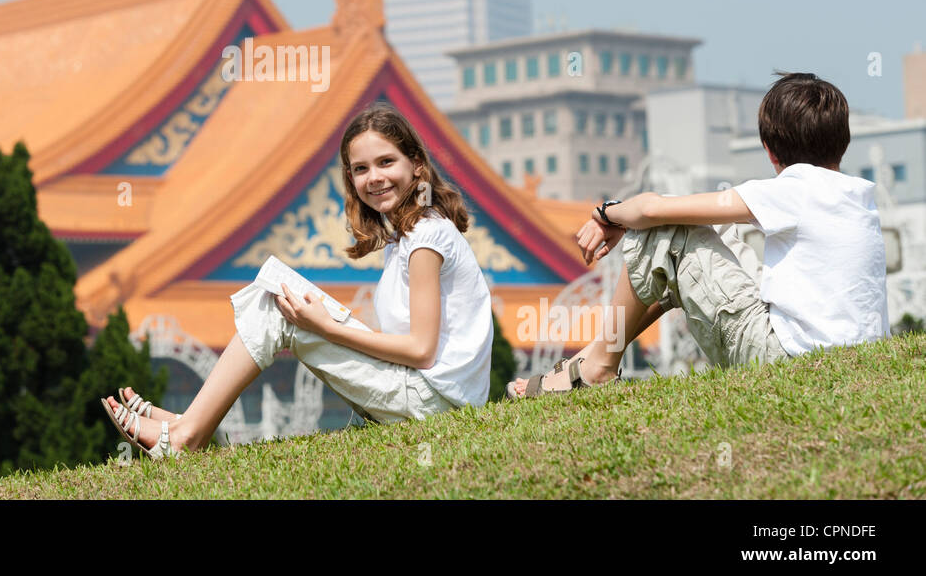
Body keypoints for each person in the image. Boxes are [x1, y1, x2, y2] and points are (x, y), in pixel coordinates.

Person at [103, 100, 494, 458]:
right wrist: (326, 324)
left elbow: (422, 350)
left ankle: (187, 434)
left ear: (417, 166)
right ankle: (189, 423)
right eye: (361, 169)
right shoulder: (406, 238)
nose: (374, 178)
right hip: (428, 395)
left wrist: (326, 327)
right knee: (275, 294)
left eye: (386, 162)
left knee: (278, 310)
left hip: (435, 403)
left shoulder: (427, 236)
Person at [509, 71, 889, 398]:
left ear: (770, 151)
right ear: (843, 140)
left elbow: (652, 210)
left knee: (660, 234)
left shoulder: (794, 187)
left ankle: (595, 369)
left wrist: (606, 213)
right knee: (711, 234)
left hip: (786, 362)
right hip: (847, 361)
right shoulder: (859, 196)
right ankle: (594, 355)